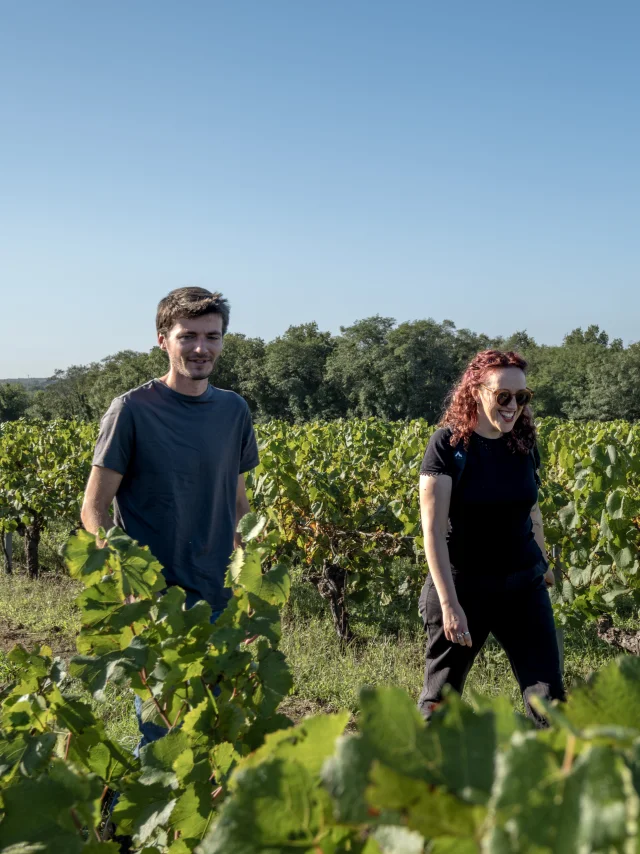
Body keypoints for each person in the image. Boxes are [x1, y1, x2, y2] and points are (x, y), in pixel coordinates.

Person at [81, 286, 260, 745]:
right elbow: (94, 510)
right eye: (188, 336)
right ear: (163, 339)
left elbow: (239, 506)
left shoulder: (234, 410)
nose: (201, 347)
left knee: (217, 732)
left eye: (212, 336)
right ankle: (122, 819)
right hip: (158, 600)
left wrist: (250, 590)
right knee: (163, 736)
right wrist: (129, 583)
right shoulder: (132, 410)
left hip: (221, 597)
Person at [417, 349, 564, 726]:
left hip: (522, 585)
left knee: (551, 699)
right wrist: (449, 605)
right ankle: (427, 777)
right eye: (503, 396)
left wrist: (543, 563)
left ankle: (558, 778)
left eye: (522, 397)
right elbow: (432, 532)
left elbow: (532, 510)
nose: (513, 405)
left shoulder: (524, 443)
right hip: (464, 586)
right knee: (441, 699)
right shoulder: (448, 446)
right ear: (476, 391)